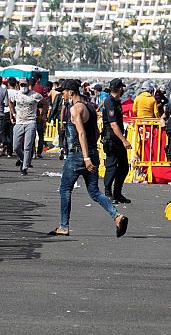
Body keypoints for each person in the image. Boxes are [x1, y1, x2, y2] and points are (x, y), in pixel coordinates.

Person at [49, 79, 128, 237]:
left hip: (79, 154)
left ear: (71, 92)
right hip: (92, 152)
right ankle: (116, 215)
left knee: (65, 189)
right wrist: (90, 153)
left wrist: (85, 158)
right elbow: (96, 132)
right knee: (94, 191)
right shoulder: (90, 107)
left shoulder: (76, 108)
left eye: (63, 92)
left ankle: (64, 226)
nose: (62, 95)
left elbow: (81, 133)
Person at [101, 78, 132, 204]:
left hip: (117, 139)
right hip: (112, 138)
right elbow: (113, 124)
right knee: (112, 167)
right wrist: (124, 140)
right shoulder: (110, 102)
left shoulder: (116, 101)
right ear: (119, 88)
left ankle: (117, 192)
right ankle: (107, 193)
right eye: (122, 88)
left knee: (124, 167)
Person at [9, 78, 42, 175]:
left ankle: (25, 168)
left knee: (27, 146)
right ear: (19, 85)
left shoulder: (34, 95)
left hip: (30, 122)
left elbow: (44, 103)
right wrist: (13, 114)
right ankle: (24, 159)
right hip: (19, 122)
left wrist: (42, 115)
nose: (23, 87)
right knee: (16, 146)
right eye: (21, 85)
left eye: (25, 85)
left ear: (28, 85)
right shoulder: (16, 94)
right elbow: (9, 102)